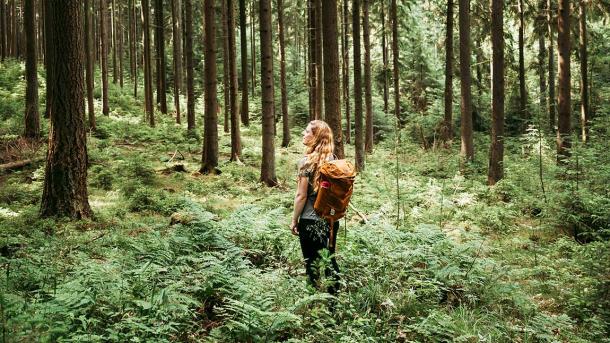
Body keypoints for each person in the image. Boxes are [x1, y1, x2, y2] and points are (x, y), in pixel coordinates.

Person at [290, 120, 340, 295]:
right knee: (329, 260)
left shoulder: (305, 162)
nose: (303, 134)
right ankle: (333, 302)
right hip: (330, 220)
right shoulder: (333, 160)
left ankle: (313, 304)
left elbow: (301, 195)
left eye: (307, 132)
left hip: (309, 220)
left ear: (316, 137)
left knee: (311, 263)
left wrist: (294, 219)